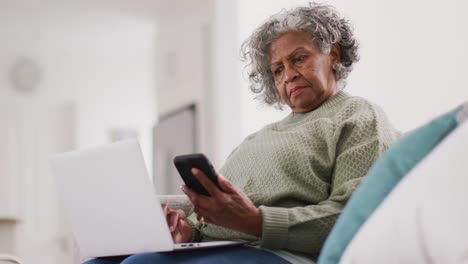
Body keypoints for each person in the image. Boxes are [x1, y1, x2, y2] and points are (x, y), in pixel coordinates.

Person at [85, 2, 400, 264]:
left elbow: (354, 215)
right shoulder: (258, 138)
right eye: (277, 69)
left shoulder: (358, 115)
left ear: (333, 54)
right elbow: (218, 214)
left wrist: (256, 222)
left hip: (284, 254)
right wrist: (187, 231)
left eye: (299, 58)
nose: (289, 74)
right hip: (221, 247)